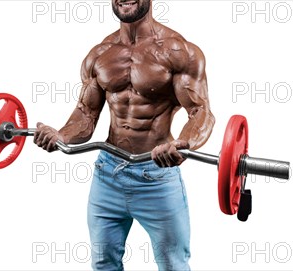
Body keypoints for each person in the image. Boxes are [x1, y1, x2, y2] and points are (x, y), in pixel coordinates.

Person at [34, 0, 215, 269]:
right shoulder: (100, 54)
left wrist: (182, 143)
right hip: (108, 175)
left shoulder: (180, 52)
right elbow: (86, 114)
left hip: (155, 176)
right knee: (103, 263)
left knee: (173, 265)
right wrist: (61, 136)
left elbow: (200, 112)